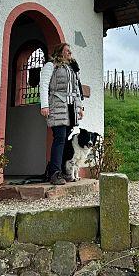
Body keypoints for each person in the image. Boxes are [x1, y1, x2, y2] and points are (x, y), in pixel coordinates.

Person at [39, 43, 84, 185]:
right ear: (60, 52)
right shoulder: (51, 65)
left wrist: (80, 108)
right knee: (60, 138)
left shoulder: (71, 68)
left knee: (65, 139)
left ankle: (64, 171)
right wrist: (44, 105)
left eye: (70, 50)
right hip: (57, 105)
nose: (70, 52)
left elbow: (76, 89)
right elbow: (44, 84)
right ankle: (54, 173)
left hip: (70, 108)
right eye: (67, 50)